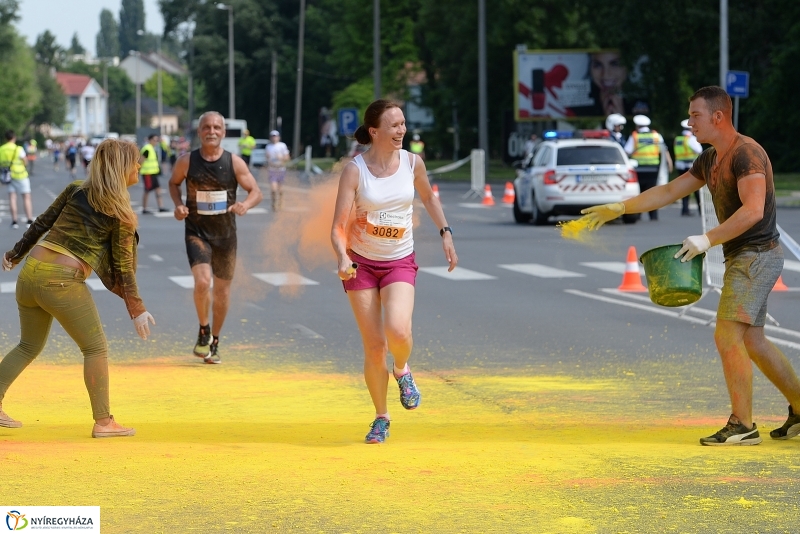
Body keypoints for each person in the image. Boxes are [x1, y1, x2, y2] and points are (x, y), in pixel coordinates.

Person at [582, 85, 800, 446]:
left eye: (695, 115)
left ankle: (743, 425)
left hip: (757, 255)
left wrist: (706, 239)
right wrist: (620, 207)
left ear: (718, 116)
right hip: (745, 256)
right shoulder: (710, 158)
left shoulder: (746, 154)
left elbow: (753, 210)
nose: (690, 123)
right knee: (753, 341)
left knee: (727, 335)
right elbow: (669, 191)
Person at [0, 138, 155, 438]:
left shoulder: (76, 189)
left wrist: (15, 254)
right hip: (60, 280)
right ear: (122, 167)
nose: (139, 165)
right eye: (135, 161)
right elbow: (123, 268)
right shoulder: (121, 213)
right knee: (95, 348)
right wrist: (137, 309)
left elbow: (42, 223)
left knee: (28, 345)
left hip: (30, 273)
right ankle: (104, 422)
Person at [331, 99, 458, 444]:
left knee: (398, 332)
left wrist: (446, 233)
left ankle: (402, 369)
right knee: (375, 347)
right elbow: (338, 225)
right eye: (394, 125)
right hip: (360, 264)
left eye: (403, 123)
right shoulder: (355, 170)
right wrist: (342, 257)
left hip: (399, 259)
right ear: (374, 131)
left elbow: (428, 198)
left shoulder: (412, 163)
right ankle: (381, 417)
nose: (401, 130)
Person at [168, 111, 263, 364]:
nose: (212, 131)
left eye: (216, 127)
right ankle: (204, 329)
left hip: (225, 235)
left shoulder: (234, 162)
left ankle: (215, 341)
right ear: (199, 132)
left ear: (223, 132)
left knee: (222, 292)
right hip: (196, 231)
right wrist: (179, 206)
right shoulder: (187, 161)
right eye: (207, 127)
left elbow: (256, 191)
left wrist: (245, 205)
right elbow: (173, 183)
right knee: (202, 283)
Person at [624, 115, 672, 220]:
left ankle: (638, 214)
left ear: (637, 126)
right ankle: (653, 215)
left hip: (639, 169)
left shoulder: (635, 136)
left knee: (639, 193)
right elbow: (664, 150)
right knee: (652, 192)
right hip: (653, 168)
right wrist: (669, 163)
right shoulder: (656, 135)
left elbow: (627, 151)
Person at [0, 130, 34, 229]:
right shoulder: (18, 149)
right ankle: (29, 220)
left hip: (8, 176)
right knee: (26, 197)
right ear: (14, 138)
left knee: (12, 197)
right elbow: (25, 161)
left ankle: (14, 221)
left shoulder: (1, 149)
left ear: (6, 138)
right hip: (20, 175)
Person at [674, 118, 703, 216]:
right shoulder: (690, 139)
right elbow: (699, 150)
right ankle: (701, 210)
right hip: (690, 166)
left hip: (680, 166)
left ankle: (685, 210)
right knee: (696, 188)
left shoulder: (678, 139)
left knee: (684, 188)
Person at [140, 134, 168, 214]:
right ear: (150, 140)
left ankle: (161, 207)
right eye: (154, 140)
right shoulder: (147, 149)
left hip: (154, 173)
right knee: (147, 190)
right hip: (147, 173)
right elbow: (141, 160)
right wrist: (137, 171)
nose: (156, 142)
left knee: (158, 189)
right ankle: (144, 208)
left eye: (157, 140)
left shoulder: (152, 148)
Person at [265, 130, 290, 211]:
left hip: (281, 169)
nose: (274, 138)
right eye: (272, 136)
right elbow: (267, 157)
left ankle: (281, 202)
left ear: (278, 137)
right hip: (272, 169)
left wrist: (281, 158)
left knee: (280, 189)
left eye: (275, 136)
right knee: (273, 189)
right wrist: (268, 159)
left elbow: (287, 157)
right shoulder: (268, 146)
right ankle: (274, 202)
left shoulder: (282, 145)